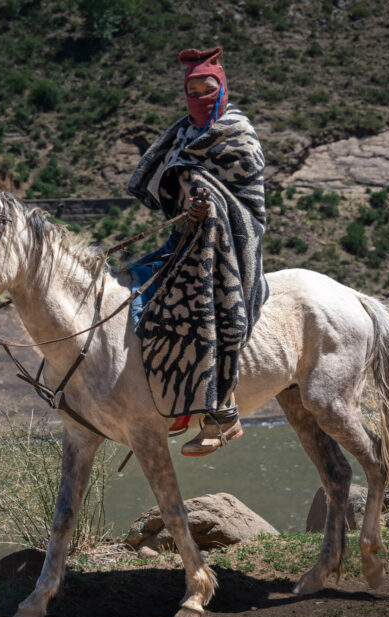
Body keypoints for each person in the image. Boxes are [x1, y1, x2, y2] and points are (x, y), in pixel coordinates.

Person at [127, 46, 268, 456]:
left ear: (222, 88)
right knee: (138, 285)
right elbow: (174, 186)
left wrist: (212, 204)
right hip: (190, 235)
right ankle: (169, 403)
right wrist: (190, 206)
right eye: (193, 90)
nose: (201, 97)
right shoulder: (184, 132)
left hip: (232, 239)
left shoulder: (237, 131)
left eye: (208, 89)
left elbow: (246, 197)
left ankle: (222, 414)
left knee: (206, 307)